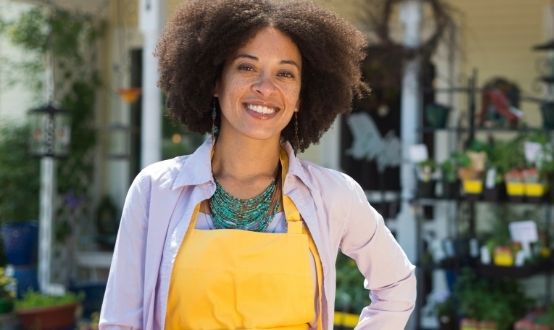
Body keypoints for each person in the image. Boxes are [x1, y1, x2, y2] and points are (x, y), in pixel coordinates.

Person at [99, 1, 416, 329]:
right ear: (214, 81)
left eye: (285, 73)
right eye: (247, 67)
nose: (266, 88)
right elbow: (119, 322)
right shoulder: (156, 189)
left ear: (300, 97)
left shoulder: (334, 195)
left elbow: (397, 284)